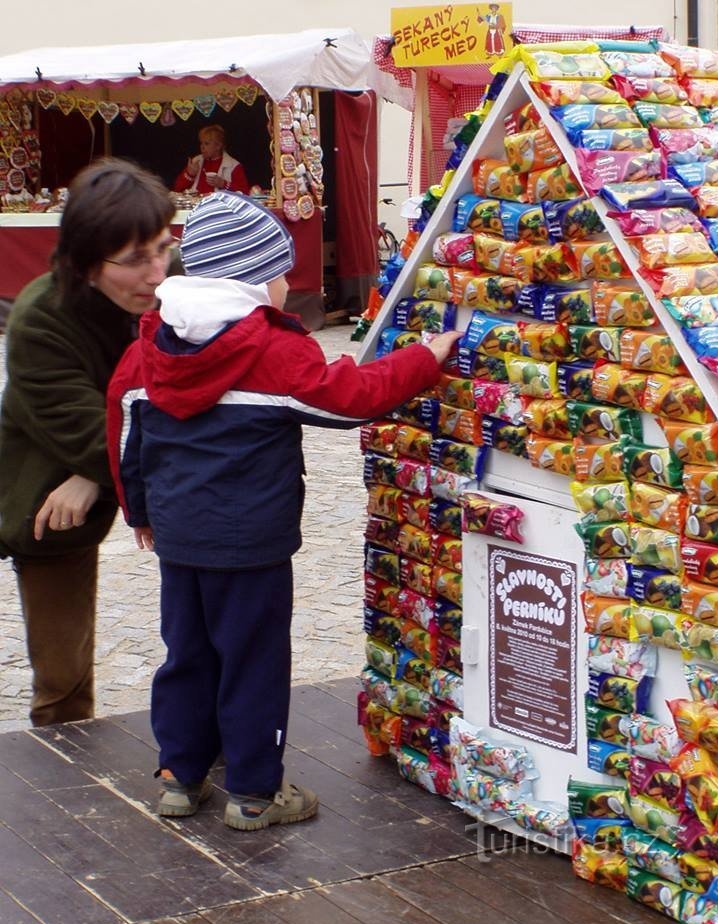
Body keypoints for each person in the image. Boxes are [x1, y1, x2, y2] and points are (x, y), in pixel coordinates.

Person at [106, 191, 461, 830]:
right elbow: (347, 398)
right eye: (279, 275)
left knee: (186, 650)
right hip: (252, 542)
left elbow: (125, 428)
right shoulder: (274, 349)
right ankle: (253, 791)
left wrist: (138, 512)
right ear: (250, 279)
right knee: (253, 657)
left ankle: (181, 777)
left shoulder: (147, 347)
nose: (285, 288)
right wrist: (421, 359)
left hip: (179, 537)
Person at [0, 157, 176, 726]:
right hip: (45, 503)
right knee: (62, 689)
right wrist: (94, 466)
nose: (157, 273)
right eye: (135, 260)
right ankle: (64, 789)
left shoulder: (173, 284)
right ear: (84, 264)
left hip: (135, 484)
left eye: (163, 247)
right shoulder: (40, 321)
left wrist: (94, 473)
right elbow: (91, 435)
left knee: (211, 640)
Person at [173, 125, 249, 195]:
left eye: (206, 144)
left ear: (218, 146)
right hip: (195, 206)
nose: (202, 147)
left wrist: (223, 184)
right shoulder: (196, 161)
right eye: (201, 143)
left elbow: (244, 193)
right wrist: (190, 174)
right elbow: (177, 189)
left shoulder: (234, 165)